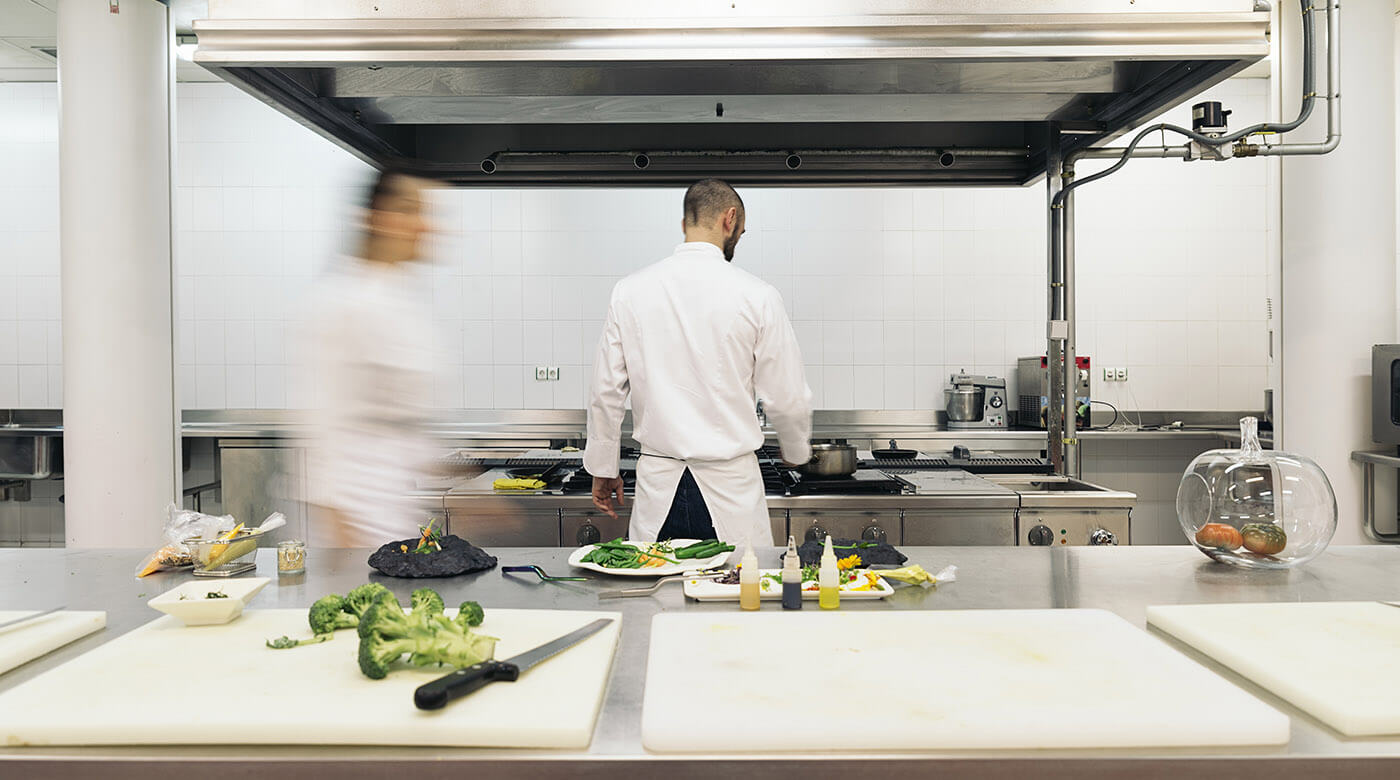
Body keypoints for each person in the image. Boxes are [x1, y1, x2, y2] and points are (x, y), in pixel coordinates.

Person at [584, 178, 813, 545]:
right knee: (737, 595)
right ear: (730, 219)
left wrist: (603, 467)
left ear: (684, 225)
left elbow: (606, 391)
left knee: (655, 597)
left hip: (659, 487)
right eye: (741, 230)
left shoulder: (629, 291)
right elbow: (786, 395)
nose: (738, 235)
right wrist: (796, 451)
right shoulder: (759, 296)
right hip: (731, 490)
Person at [304, 167, 437, 547]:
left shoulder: (402, 297)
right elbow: (324, 426)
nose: (426, 226)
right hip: (356, 524)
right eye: (412, 210)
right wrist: (339, 526)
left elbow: (404, 420)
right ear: (377, 218)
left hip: (396, 517)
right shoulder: (342, 301)